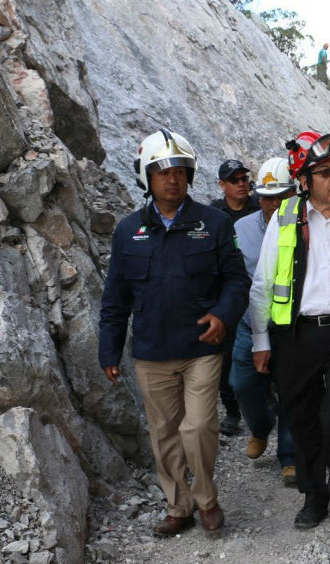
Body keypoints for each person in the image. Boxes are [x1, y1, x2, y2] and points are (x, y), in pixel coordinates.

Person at [99, 129, 250, 537]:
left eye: (180, 171)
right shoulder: (128, 231)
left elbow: (238, 282)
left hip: (202, 348)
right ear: (147, 177)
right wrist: (109, 351)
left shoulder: (215, 224)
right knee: (164, 435)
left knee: (198, 427)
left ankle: (207, 499)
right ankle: (177, 506)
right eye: (163, 171)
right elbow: (115, 296)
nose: (172, 179)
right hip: (151, 352)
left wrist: (222, 315)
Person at [249, 130, 330, 530]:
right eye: (324, 172)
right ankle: (314, 495)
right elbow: (263, 282)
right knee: (302, 414)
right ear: (305, 181)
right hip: (297, 335)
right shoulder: (287, 217)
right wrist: (260, 340)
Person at [231, 158, 299, 485]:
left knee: (291, 390)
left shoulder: (306, 227)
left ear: (294, 194)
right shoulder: (241, 230)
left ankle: (290, 456)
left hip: (291, 329)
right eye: (266, 197)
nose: (273, 204)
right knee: (242, 385)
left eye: (280, 196)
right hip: (249, 324)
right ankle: (260, 426)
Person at [210, 159, 260, 435]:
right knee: (226, 354)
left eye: (244, 179)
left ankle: (265, 400)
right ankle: (232, 411)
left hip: (256, 289)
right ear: (222, 185)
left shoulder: (260, 209)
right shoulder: (214, 215)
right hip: (226, 292)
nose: (242, 184)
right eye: (235, 180)